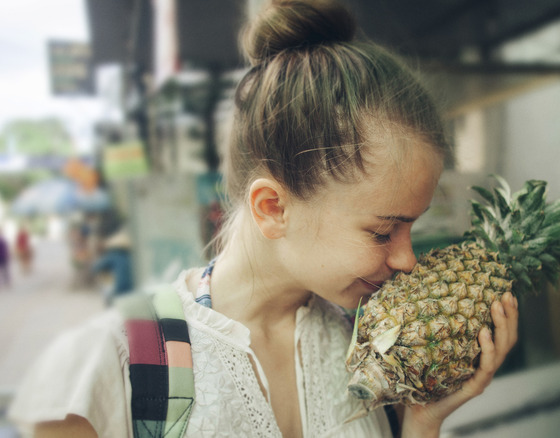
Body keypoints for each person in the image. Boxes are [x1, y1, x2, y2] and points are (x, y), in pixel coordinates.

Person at [9, 1, 519, 436]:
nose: (407, 260)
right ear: (273, 208)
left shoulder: (374, 347)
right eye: (383, 231)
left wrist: (421, 423)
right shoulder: (111, 368)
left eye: (412, 227)